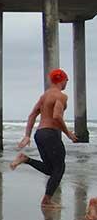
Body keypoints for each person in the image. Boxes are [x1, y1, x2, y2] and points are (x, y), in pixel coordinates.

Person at [10, 68, 76, 208]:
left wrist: (27, 136)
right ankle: (46, 201)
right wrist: (68, 133)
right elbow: (57, 116)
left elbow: (32, 115)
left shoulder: (44, 96)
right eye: (67, 80)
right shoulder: (61, 96)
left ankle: (25, 159)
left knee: (50, 169)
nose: (67, 83)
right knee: (59, 168)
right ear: (62, 80)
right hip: (51, 134)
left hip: (39, 134)